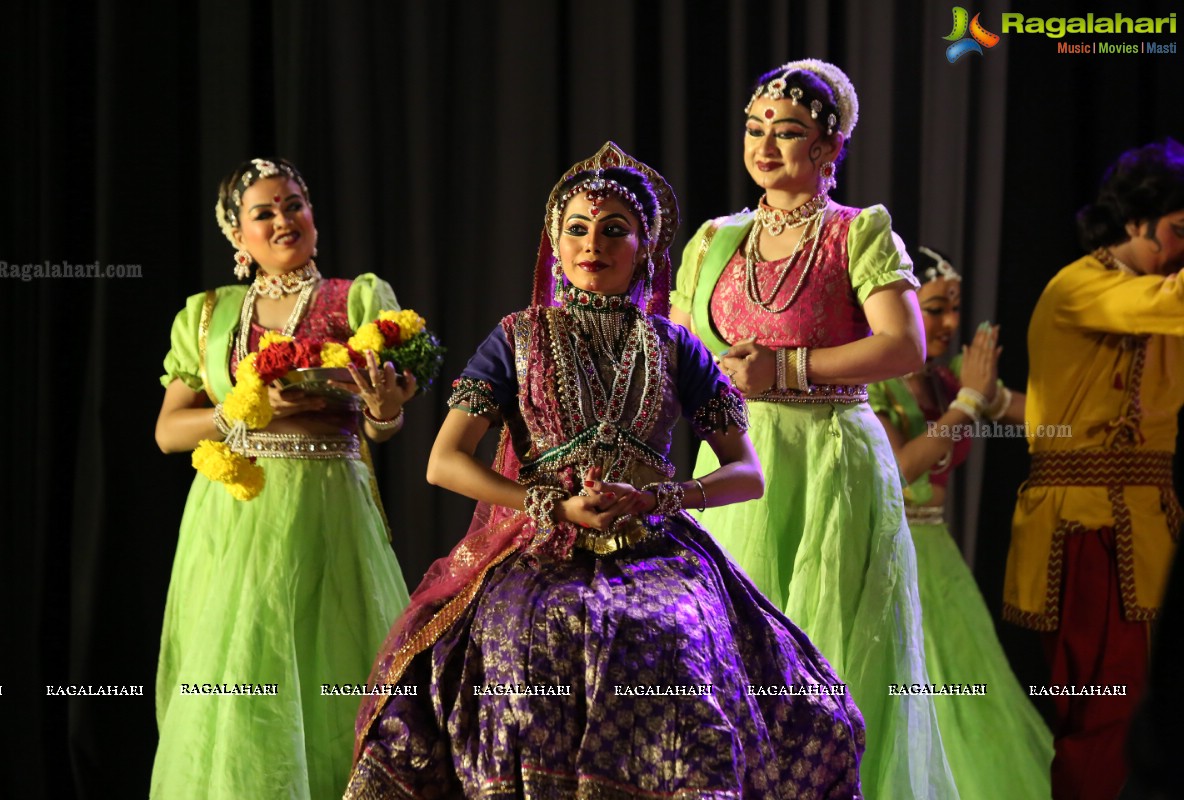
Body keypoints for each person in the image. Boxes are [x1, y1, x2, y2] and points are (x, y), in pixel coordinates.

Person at [345, 143, 866, 799]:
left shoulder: (676, 346)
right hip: (538, 550)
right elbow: (445, 461)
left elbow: (747, 472)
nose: (595, 244)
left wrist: (665, 497)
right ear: (555, 245)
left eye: (615, 230)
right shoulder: (517, 336)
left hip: (657, 550)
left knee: (678, 636)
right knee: (528, 636)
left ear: (645, 248)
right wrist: (549, 507)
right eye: (578, 229)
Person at [670, 60, 959, 798]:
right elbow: (674, 344)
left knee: (827, 642)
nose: (765, 145)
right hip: (736, 459)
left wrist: (788, 369)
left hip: (832, 455)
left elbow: (903, 345)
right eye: (755, 128)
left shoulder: (857, 232)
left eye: (788, 132)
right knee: (728, 646)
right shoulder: (714, 241)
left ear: (830, 148)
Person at [153, 157, 412, 798]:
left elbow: (385, 423)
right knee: (242, 667)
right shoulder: (210, 317)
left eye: (294, 204)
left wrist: (382, 405)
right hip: (236, 512)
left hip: (330, 508)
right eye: (263, 213)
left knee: (335, 668)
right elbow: (167, 431)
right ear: (238, 237)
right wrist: (243, 408)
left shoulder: (356, 299)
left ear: (313, 217)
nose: (282, 220)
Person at [1006, 139, 1184, 799]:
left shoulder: (1156, 295)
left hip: (1150, 528)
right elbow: (1163, 306)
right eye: (1180, 230)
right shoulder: (1081, 286)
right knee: (1102, 709)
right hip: (1087, 529)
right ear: (1136, 223)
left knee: (1139, 709)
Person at [869, 246, 1052, 798]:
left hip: (940, 561)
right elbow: (899, 469)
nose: (951, 322)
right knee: (916, 694)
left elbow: (1053, 422)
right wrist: (968, 405)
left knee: (971, 697)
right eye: (935, 308)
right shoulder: (874, 382)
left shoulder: (948, 379)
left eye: (955, 308)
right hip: (891, 557)